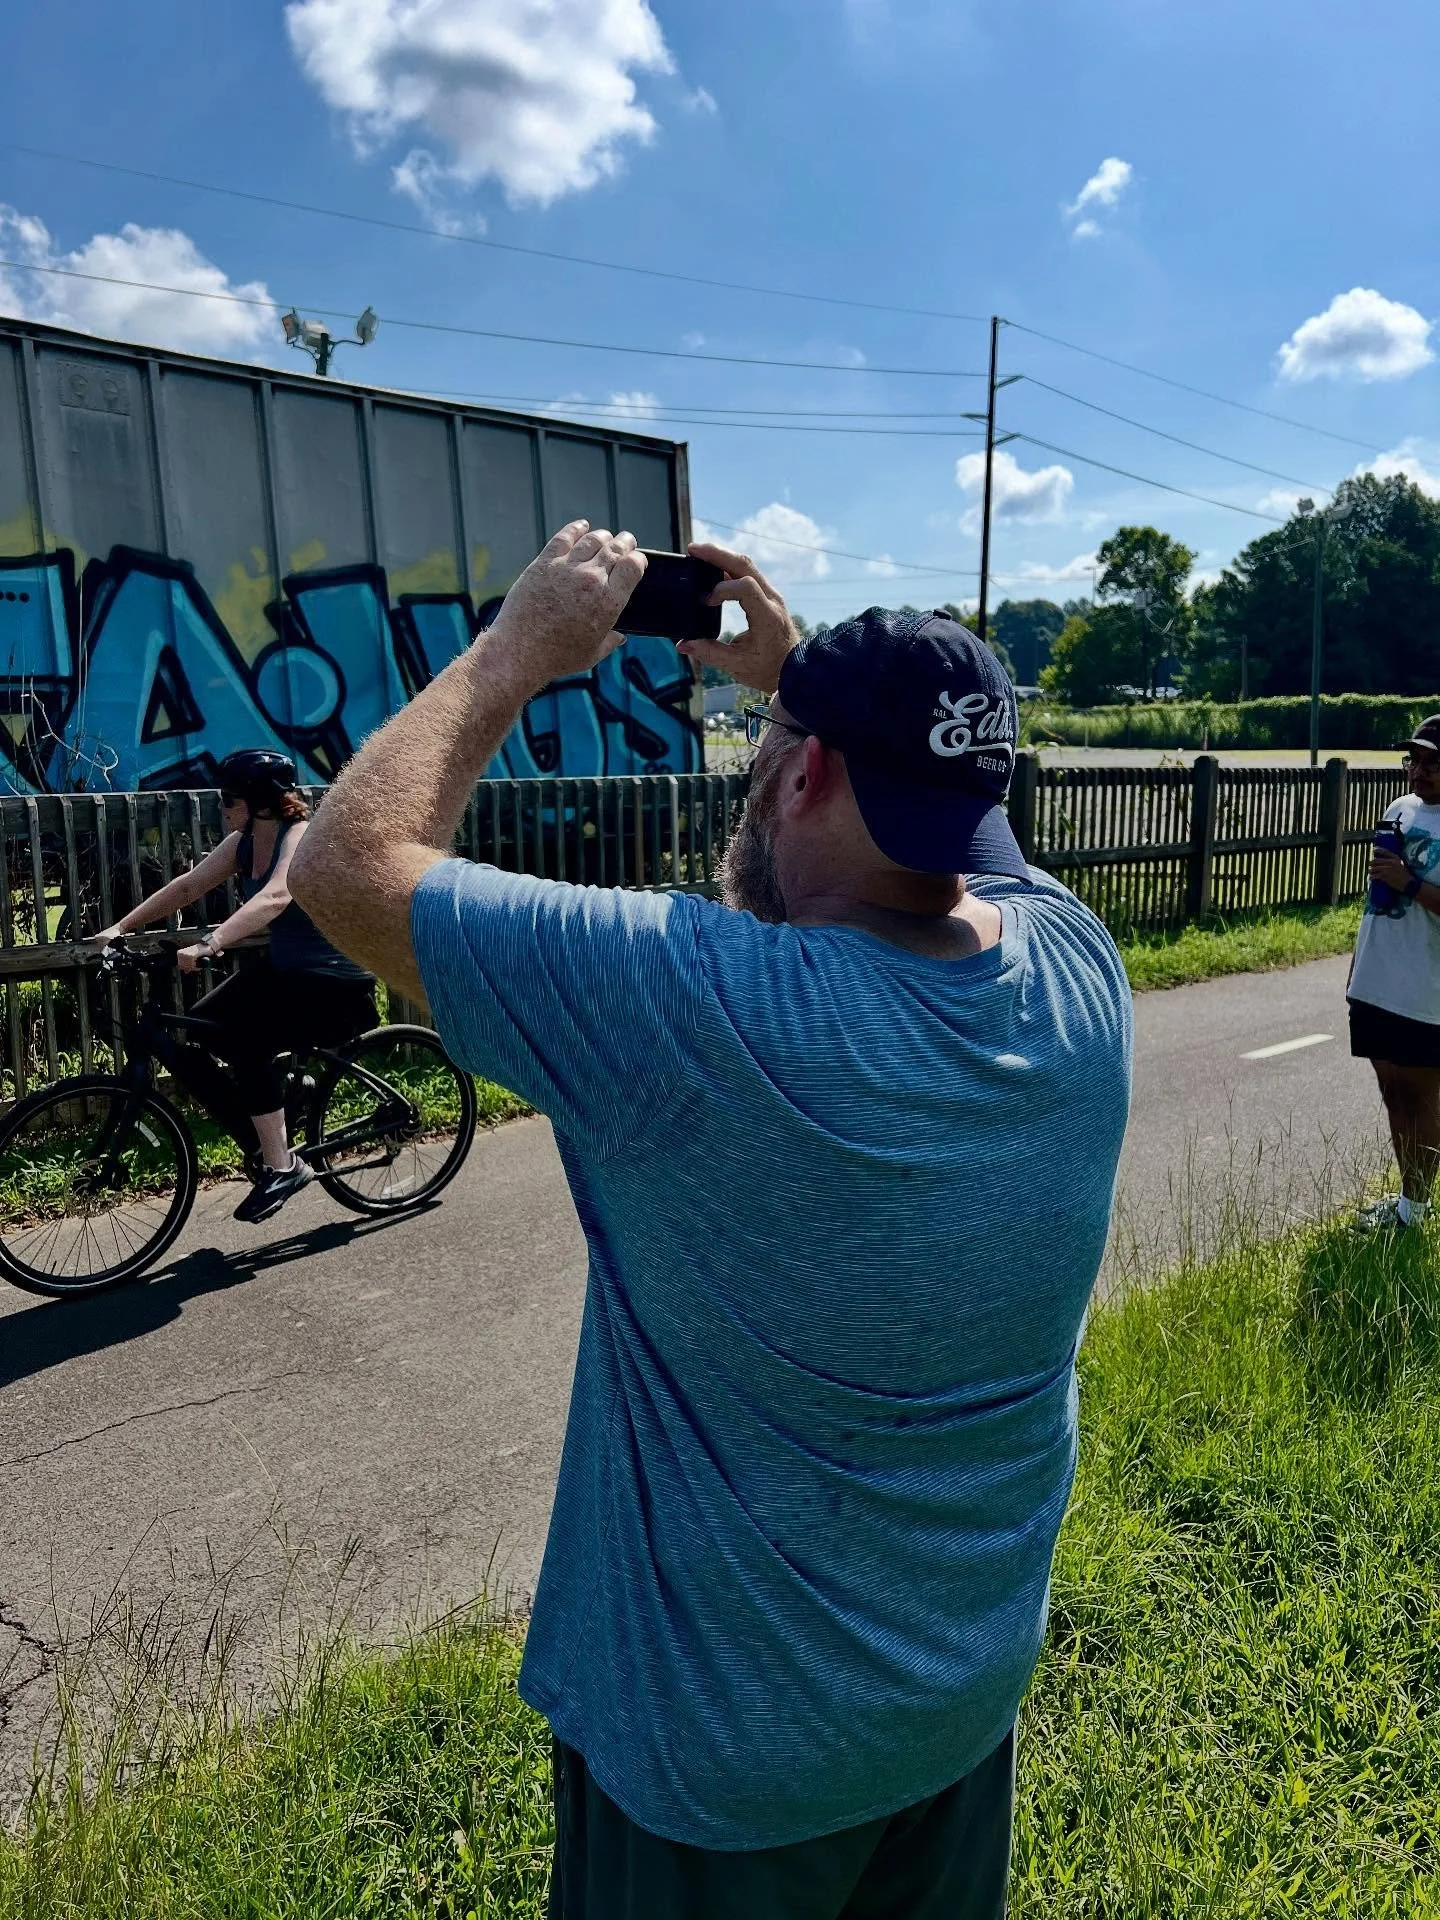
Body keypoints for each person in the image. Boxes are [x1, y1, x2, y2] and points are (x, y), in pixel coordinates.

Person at [288, 522, 1133, 1919]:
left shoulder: (706, 1018)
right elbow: (965, 840)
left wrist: (520, 649)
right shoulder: (1075, 967)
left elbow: (347, 864)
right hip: (959, 1707)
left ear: (799, 774)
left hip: (729, 1767)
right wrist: (809, 694)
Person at [94, 748, 376, 1223]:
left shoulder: (299, 837)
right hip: (287, 971)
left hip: (333, 981)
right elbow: (188, 886)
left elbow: (275, 895)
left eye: (229, 799)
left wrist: (212, 941)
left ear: (260, 801)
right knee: (203, 1029)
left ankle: (283, 1166)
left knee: (247, 1044)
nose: (220, 807)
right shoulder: (242, 842)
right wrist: (120, 928)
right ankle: (273, 1120)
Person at [1347, 716, 1440, 1232]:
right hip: (1377, 981)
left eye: (1433, 762)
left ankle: (1416, 1210)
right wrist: (1358, 966)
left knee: (1424, 1095)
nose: (1419, 771)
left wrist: (1407, 884)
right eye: (1414, 759)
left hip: (1429, 990)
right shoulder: (1399, 810)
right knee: (1392, 1092)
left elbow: (1401, 885)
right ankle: (1407, 1199)